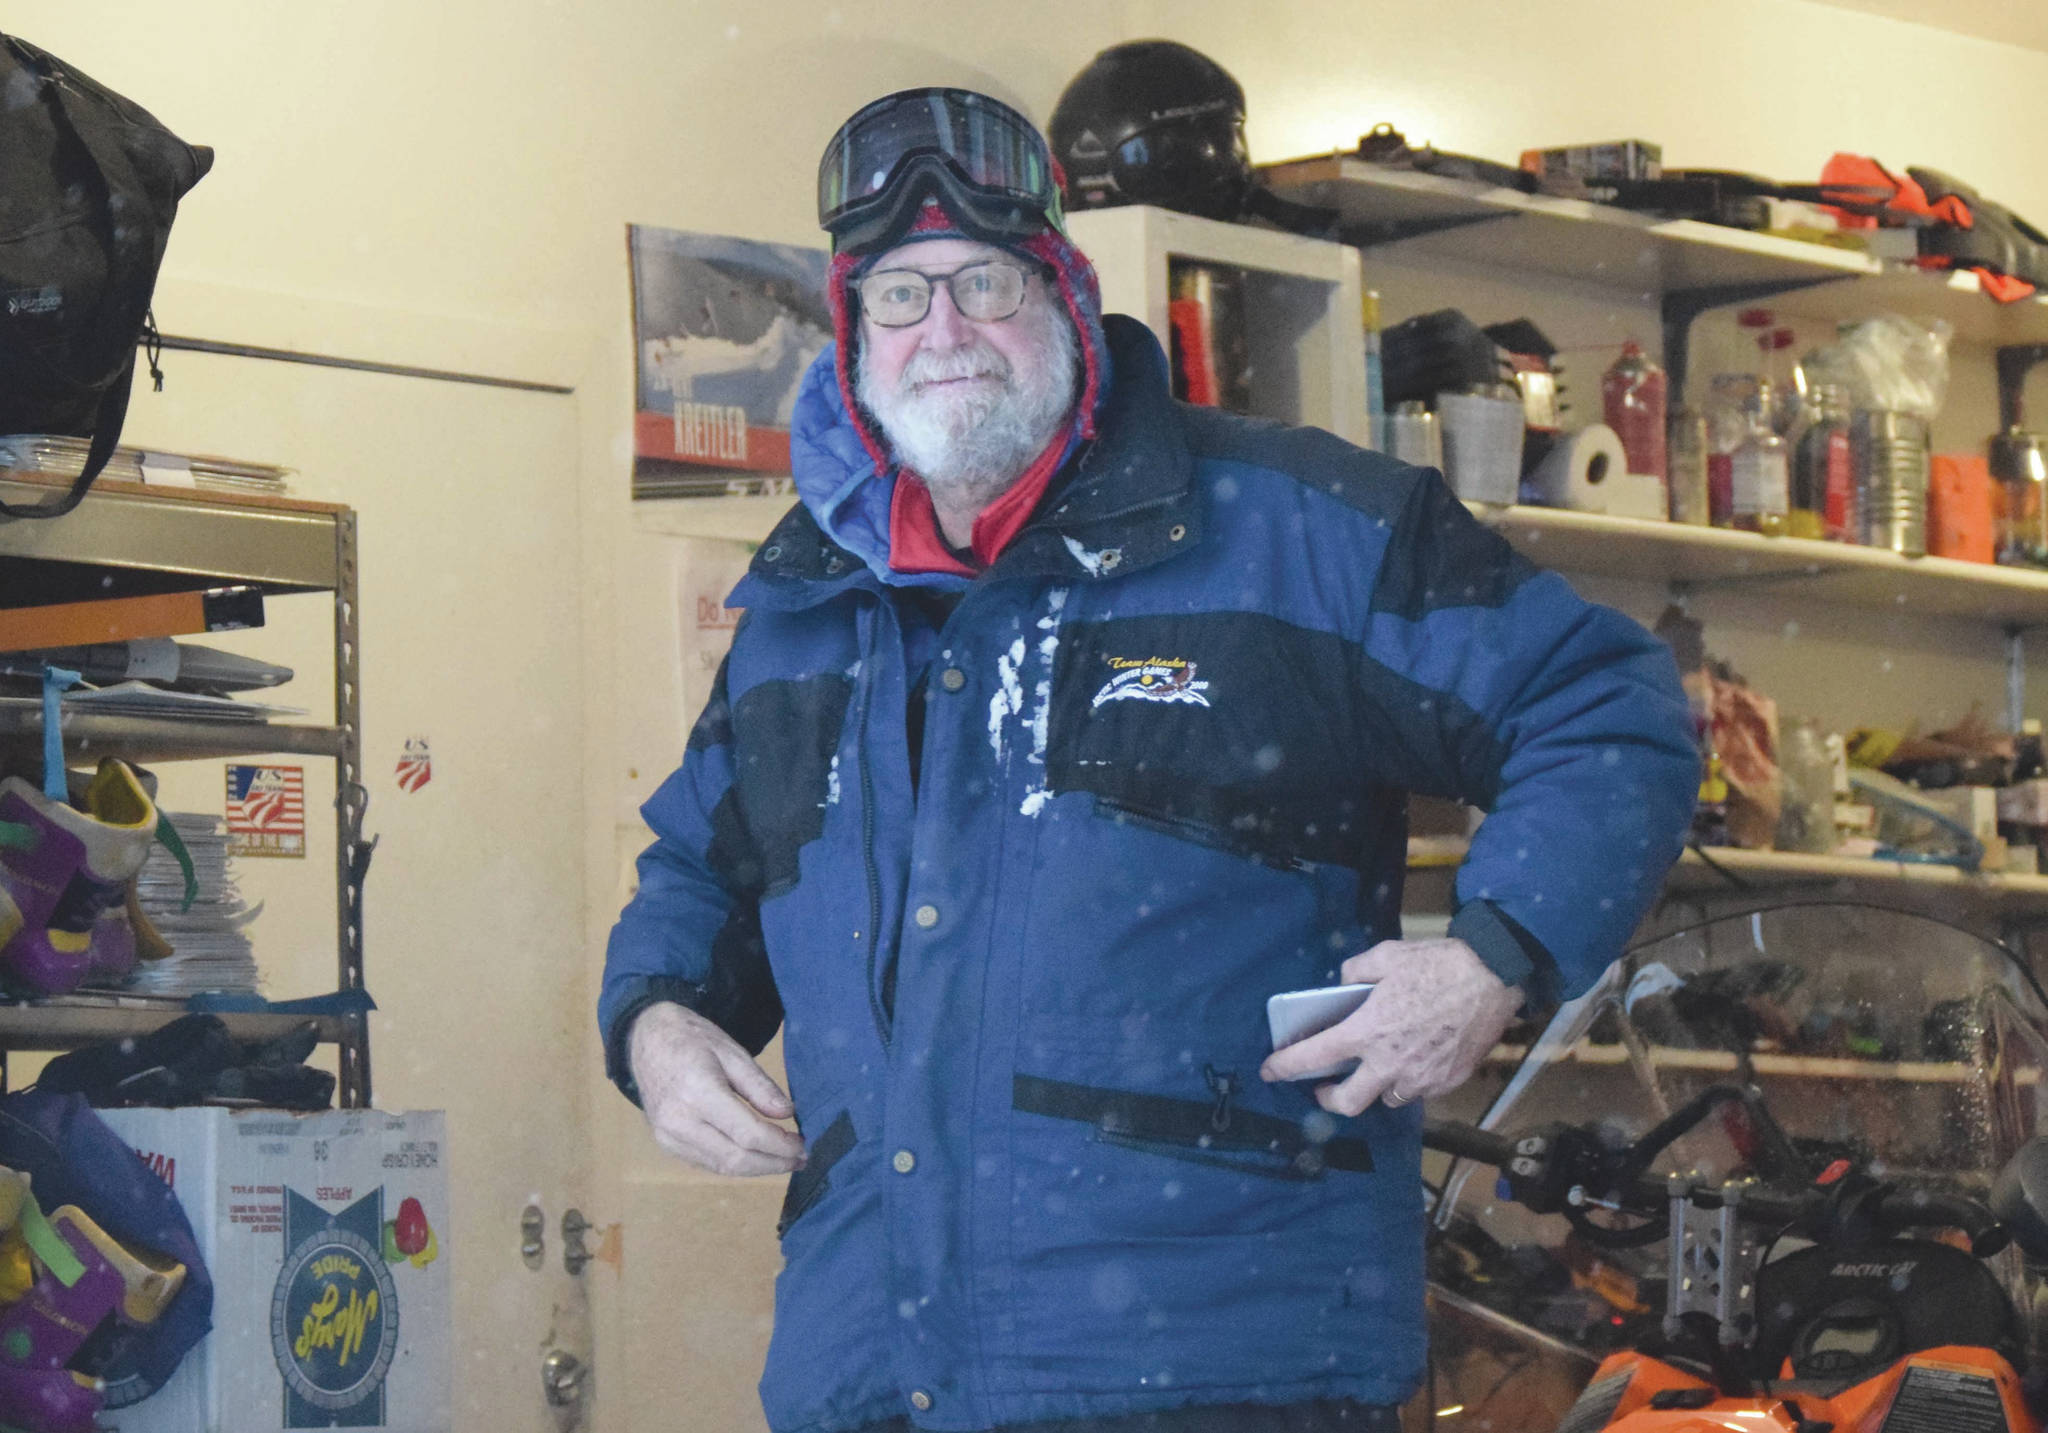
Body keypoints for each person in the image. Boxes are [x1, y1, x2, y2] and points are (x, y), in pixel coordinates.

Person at [600, 86, 1699, 1433]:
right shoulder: (805, 612)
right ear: (850, 335)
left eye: (982, 281)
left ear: (1061, 290)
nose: (941, 332)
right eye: (896, 297)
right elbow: (699, 869)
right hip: (876, 1378)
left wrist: (1491, 957)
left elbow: (1604, 702)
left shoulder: (1293, 535)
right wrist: (655, 1023)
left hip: (1212, 1373)